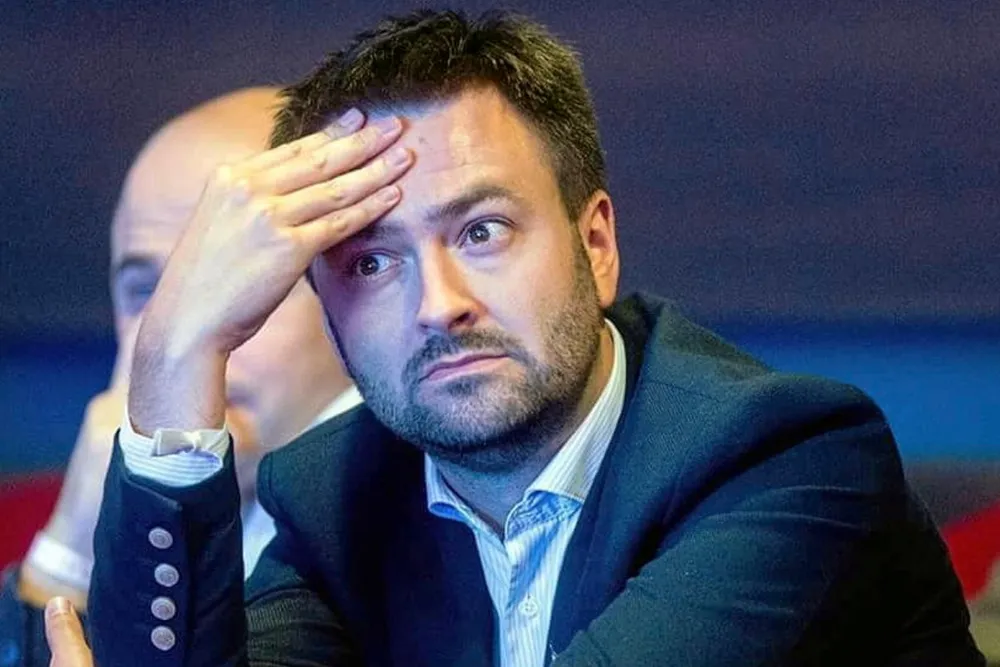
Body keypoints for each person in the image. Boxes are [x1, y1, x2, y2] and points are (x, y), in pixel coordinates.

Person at [51, 9, 984, 666]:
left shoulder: (786, 460)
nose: (438, 304)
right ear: (327, 307)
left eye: (481, 231)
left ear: (596, 244)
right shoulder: (338, 498)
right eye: (372, 262)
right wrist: (175, 353)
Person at [1, 86, 360, 667]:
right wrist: (71, 551)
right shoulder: (134, 504)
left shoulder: (423, 518)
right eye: (146, 289)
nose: (175, 329)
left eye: (234, 275)